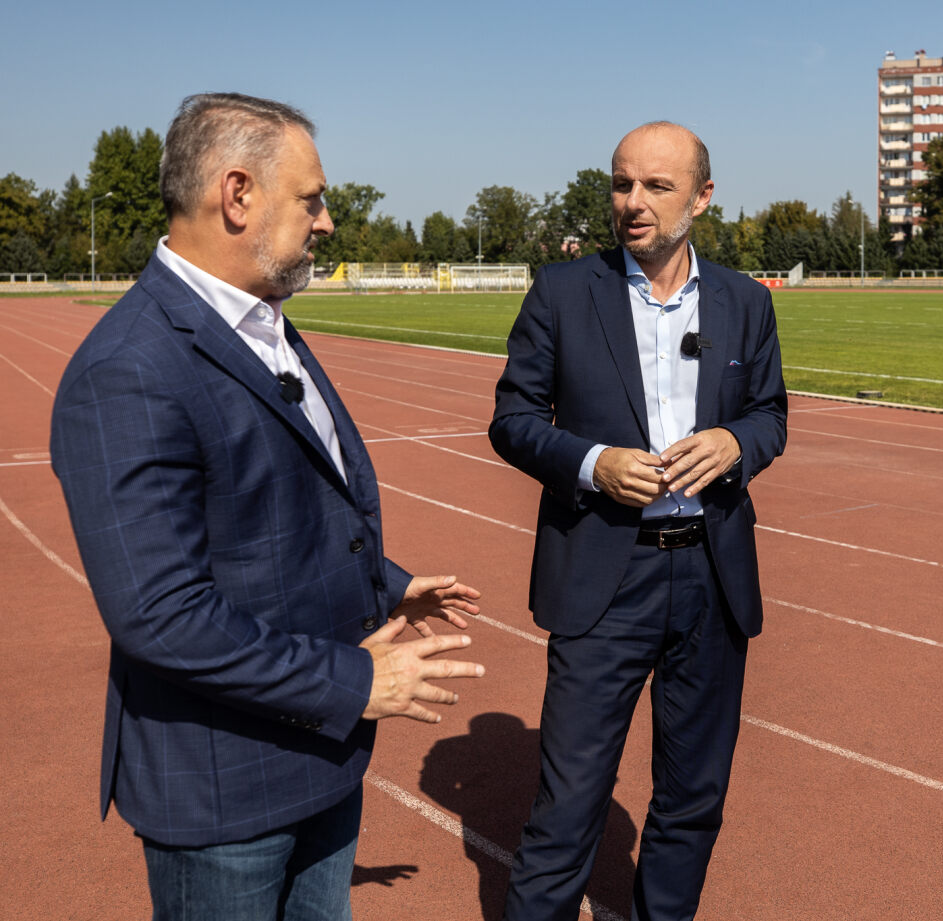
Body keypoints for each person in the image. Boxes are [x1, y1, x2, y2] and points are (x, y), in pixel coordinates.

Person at [49, 92, 485, 920]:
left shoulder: (262, 322)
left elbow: (277, 510)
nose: (326, 221)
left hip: (320, 754)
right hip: (226, 792)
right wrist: (357, 676)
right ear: (237, 195)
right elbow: (162, 615)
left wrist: (386, 584)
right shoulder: (130, 369)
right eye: (312, 199)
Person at [489, 121, 788, 921]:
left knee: (693, 797)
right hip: (602, 575)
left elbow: (770, 417)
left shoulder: (746, 302)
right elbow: (512, 419)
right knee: (569, 804)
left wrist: (734, 441)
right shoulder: (561, 291)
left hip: (710, 577)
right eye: (622, 184)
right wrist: (593, 463)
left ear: (702, 197)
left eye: (656, 186)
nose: (634, 202)